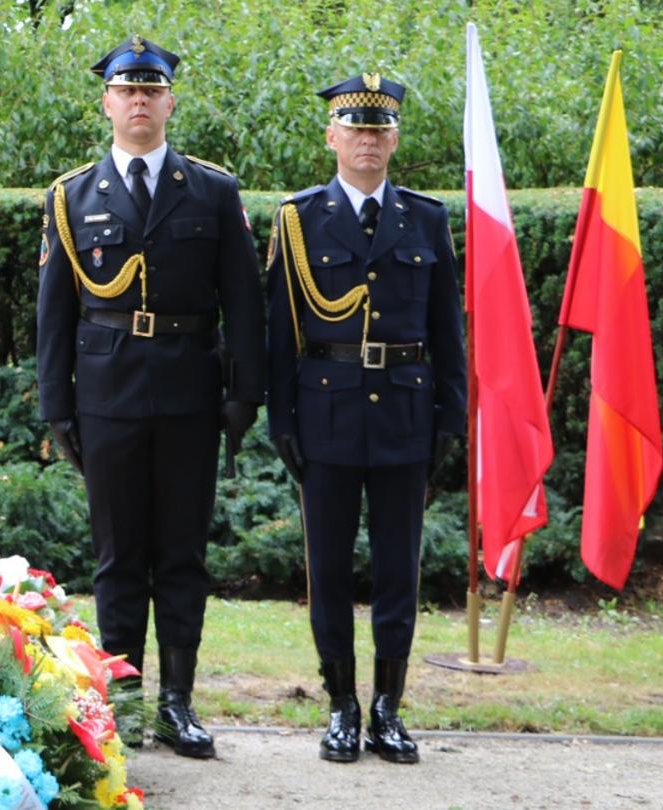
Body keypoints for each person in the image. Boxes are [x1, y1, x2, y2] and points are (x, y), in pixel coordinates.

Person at [35, 35, 265, 759]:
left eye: (151, 90)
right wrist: (56, 407)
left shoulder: (214, 191)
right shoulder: (72, 196)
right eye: (126, 91)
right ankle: (123, 705)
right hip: (108, 394)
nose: (139, 102)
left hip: (192, 394)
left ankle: (179, 703)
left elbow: (245, 304)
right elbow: (55, 312)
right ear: (107, 102)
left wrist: (245, 397)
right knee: (118, 557)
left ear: (170, 100)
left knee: (182, 557)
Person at [264, 73, 465, 764]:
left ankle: (388, 708)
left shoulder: (426, 219)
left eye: (379, 130)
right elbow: (279, 332)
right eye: (355, 129)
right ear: (332, 137)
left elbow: (448, 330)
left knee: (396, 573)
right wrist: (282, 419)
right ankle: (342, 705)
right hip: (326, 415)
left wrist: (451, 416)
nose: (367, 142)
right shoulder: (299, 218)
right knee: (328, 572)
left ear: (394, 139)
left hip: (406, 415)